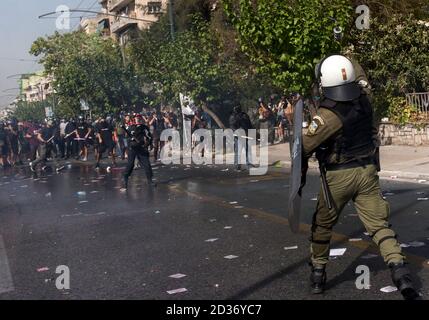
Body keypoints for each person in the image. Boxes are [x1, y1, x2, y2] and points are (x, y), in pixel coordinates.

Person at [297, 54, 419, 299]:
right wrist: (348, 61)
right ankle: (400, 272)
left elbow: (304, 146)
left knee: (322, 225)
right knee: (379, 226)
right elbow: (361, 79)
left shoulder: (327, 115)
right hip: (367, 172)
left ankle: (318, 275)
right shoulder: (366, 100)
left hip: (338, 178)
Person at [123, 114, 155, 189]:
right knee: (130, 165)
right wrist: (130, 141)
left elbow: (149, 137)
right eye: (136, 118)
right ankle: (125, 179)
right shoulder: (129, 127)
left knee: (147, 165)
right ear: (134, 119)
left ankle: (150, 181)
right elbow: (126, 139)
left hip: (141, 148)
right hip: (132, 148)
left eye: (139, 118)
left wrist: (146, 145)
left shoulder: (144, 127)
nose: (137, 119)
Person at [229, 105, 253, 171]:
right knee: (238, 151)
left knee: (248, 150)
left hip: (246, 135)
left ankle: (249, 164)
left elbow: (249, 124)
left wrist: (251, 132)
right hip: (238, 137)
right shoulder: (233, 117)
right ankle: (237, 165)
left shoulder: (244, 115)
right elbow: (232, 127)